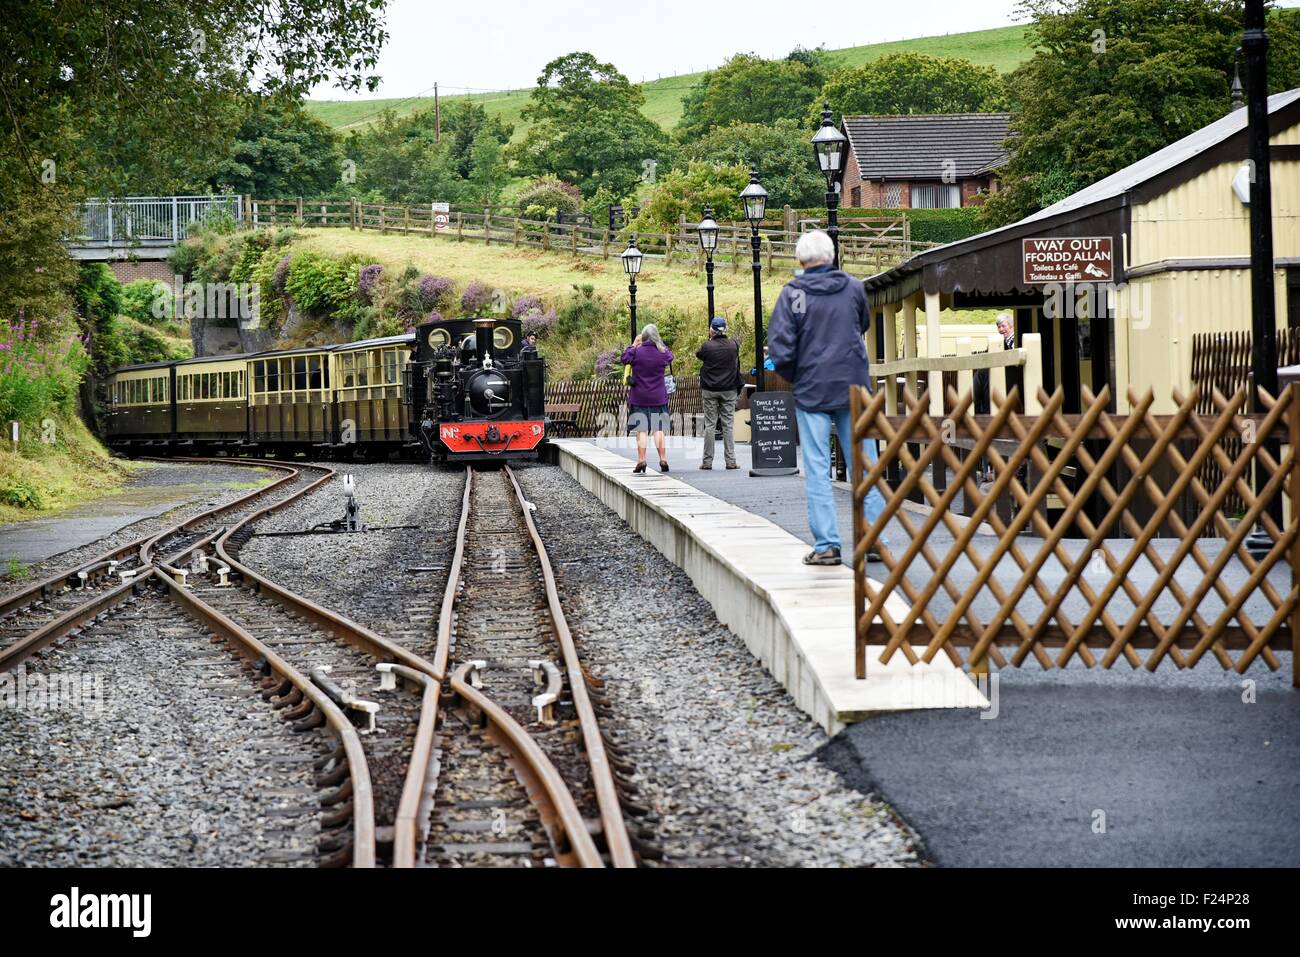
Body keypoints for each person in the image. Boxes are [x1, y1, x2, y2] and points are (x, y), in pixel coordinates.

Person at [768, 229, 887, 566]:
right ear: (832, 255)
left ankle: (827, 546)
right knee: (864, 463)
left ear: (801, 260)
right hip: (853, 385)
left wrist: (798, 376)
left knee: (818, 467)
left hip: (812, 389)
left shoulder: (793, 294)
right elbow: (861, 324)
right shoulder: (853, 287)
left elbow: (780, 348)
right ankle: (875, 539)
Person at [621, 324, 674, 473]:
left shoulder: (636, 352)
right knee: (659, 429)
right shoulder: (662, 353)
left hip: (639, 397)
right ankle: (663, 458)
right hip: (658, 397)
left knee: (641, 430)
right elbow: (670, 357)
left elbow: (624, 358)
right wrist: (660, 343)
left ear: (642, 337)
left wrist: (634, 345)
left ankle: (642, 460)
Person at [696, 317, 742, 470]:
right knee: (728, 425)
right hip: (729, 389)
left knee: (710, 425)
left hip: (710, 389)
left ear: (712, 330)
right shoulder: (733, 346)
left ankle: (707, 462)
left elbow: (699, 355)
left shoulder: (707, 346)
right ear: (725, 329)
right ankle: (731, 461)